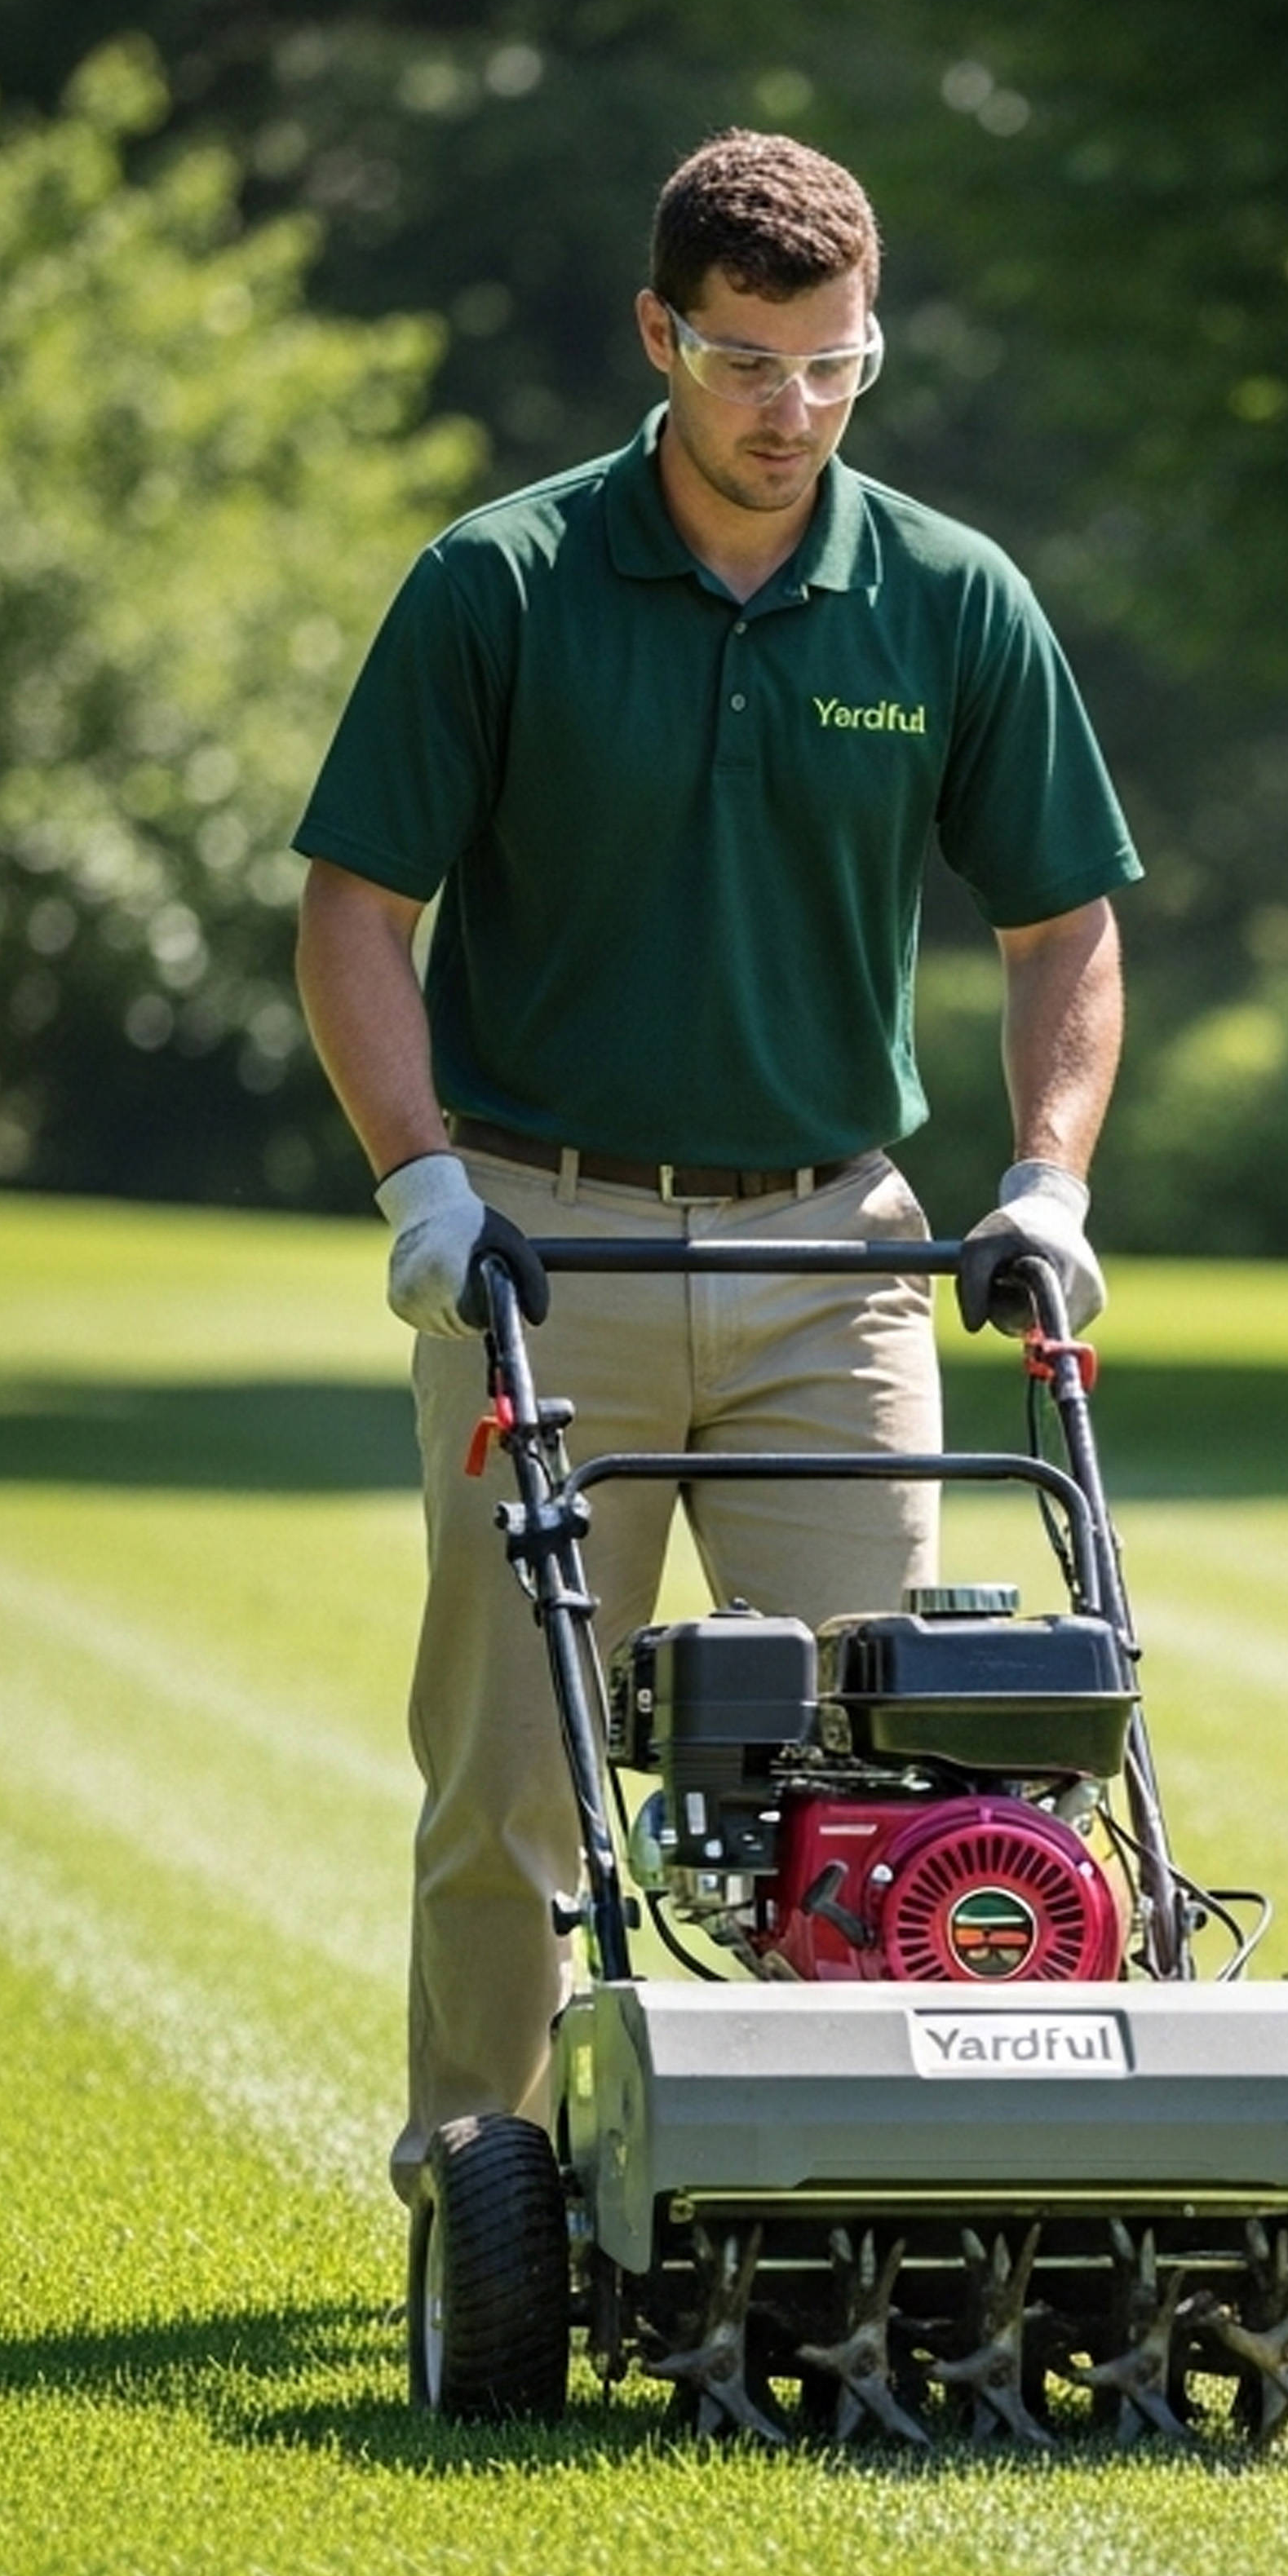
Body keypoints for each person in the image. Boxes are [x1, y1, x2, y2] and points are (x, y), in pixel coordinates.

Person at [292, 129, 1138, 2207]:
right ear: (659, 334)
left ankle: (827, 2201)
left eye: (837, 365)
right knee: (513, 1777)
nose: (794, 410)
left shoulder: (949, 594)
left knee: (875, 1762)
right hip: (540, 1244)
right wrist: (422, 1186)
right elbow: (354, 910)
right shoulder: (502, 581)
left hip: (838, 1248)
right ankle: (481, 2202)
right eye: (751, 362)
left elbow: (1065, 926)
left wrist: (1045, 1179)